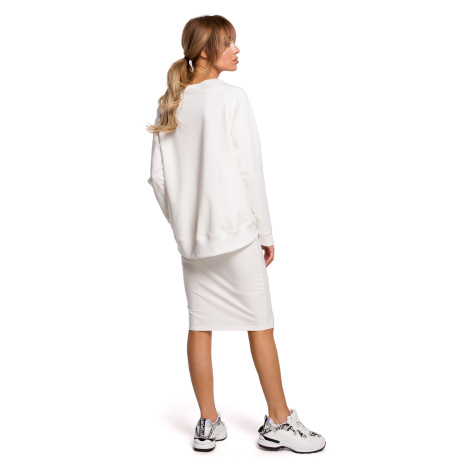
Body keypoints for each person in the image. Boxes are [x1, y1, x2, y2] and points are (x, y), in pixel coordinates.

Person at [146, 14, 326, 454]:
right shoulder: (232, 98)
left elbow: (158, 179)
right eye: (228, 43)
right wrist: (265, 232)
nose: (237, 50)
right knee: (260, 324)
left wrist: (185, 224)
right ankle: (278, 421)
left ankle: (208, 422)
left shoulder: (170, 102)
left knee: (200, 325)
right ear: (206, 51)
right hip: (237, 235)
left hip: (193, 242)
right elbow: (250, 170)